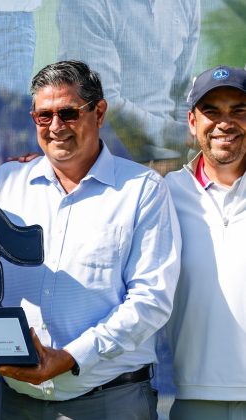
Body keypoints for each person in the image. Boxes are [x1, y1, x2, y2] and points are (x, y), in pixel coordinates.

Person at [0, 60, 181, 419]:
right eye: (44, 116)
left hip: (110, 402)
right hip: (16, 402)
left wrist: (71, 358)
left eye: (69, 113)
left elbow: (150, 301)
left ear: (99, 112)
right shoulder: (5, 183)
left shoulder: (142, 190)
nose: (56, 127)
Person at [165, 65, 246, 419]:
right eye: (211, 111)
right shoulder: (163, 193)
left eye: (239, 110)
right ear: (191, 121)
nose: (225, 123)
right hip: (194, 395)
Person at [56, 0, 200, 170]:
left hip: (171, 157)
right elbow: (102, 104)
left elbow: (182, 91)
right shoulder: (85, 4)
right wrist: (179, 136)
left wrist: (183, 158)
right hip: (105, 157)